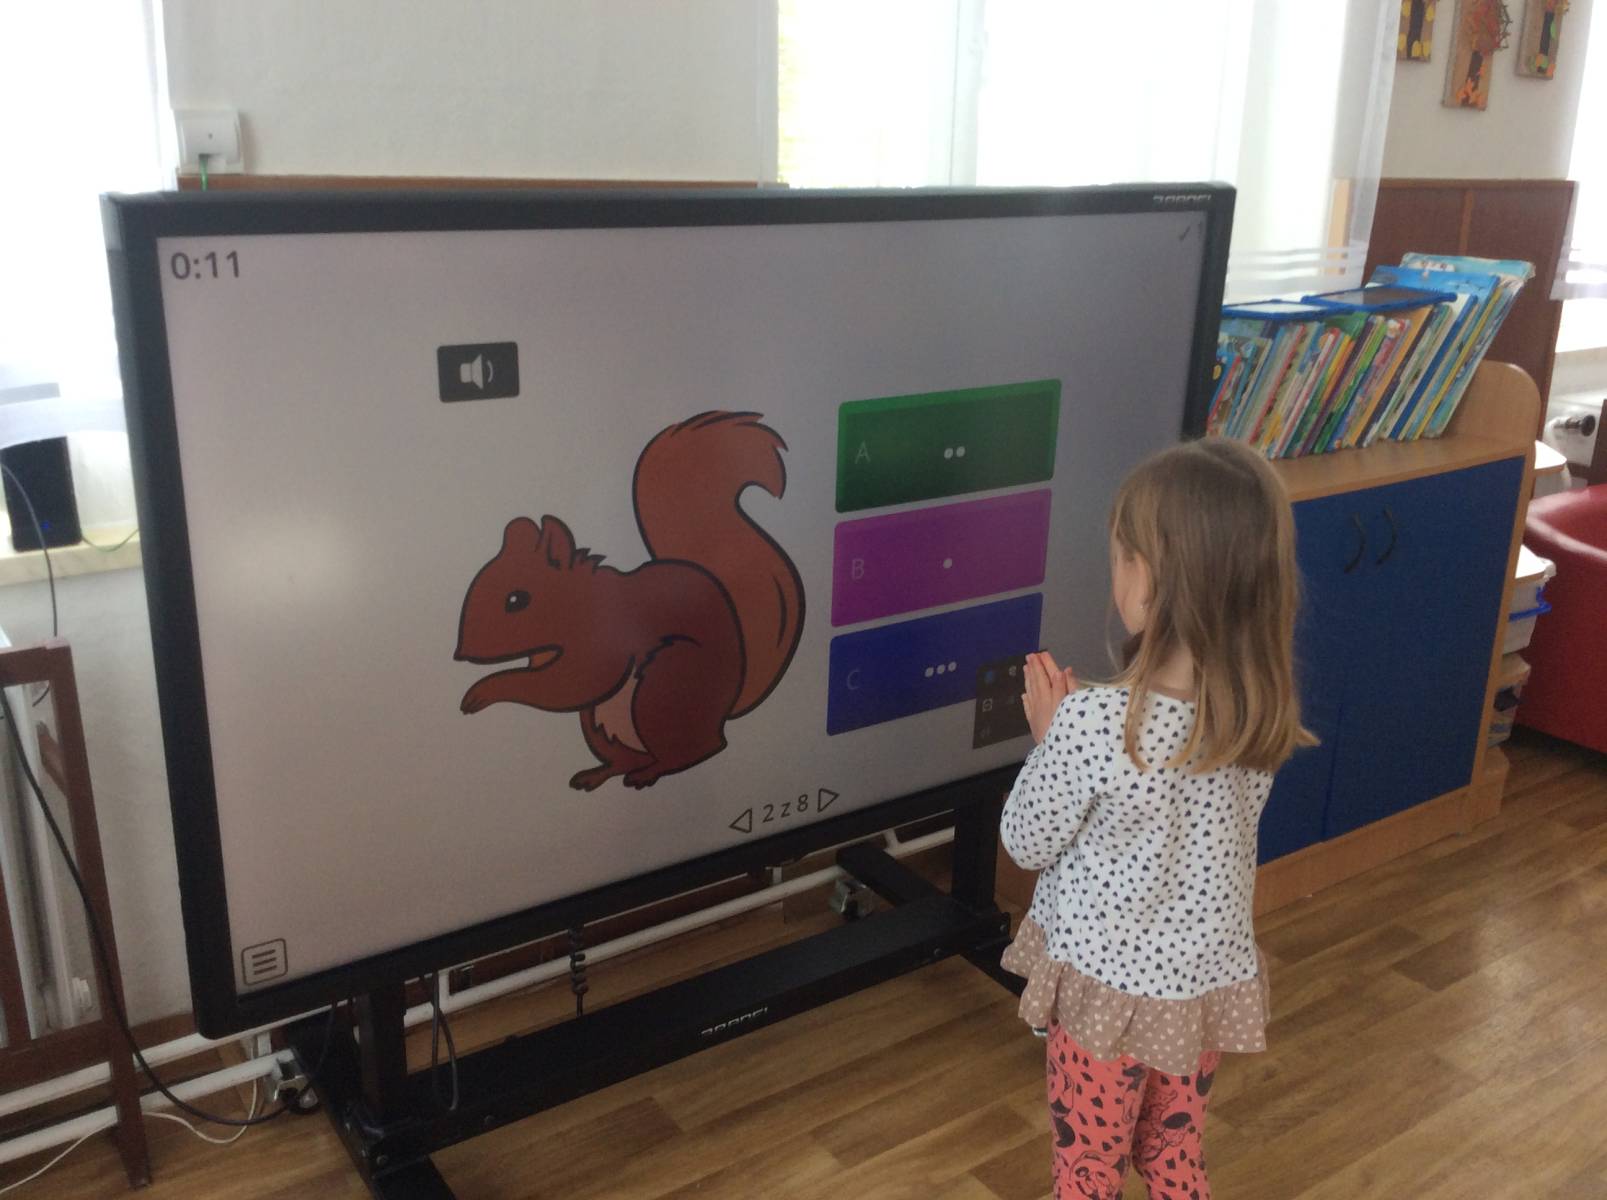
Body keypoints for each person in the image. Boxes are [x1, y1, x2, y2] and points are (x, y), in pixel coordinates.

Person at [1000, 437, 1312, 1200]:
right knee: (1171, 1156)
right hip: (1197, 995)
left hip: (1105, 1002)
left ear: (1151, 580)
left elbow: (1025, 840)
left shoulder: (1094, 725)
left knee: (1087, 1168)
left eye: (1121, 556)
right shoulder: (1256, 715)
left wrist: (1051, 739)